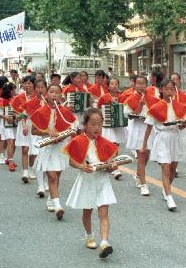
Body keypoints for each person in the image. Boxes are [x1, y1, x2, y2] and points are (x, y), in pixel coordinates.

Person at [64, 107, 120, 257]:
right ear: (85, 125)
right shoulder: (78, 140)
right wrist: (81, 166)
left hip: (102, 180)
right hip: (87, 179)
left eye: (100, 124)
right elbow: (70, 161)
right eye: (93, 124)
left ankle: (104, 243)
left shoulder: (105, 142)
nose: (97, 128)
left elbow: (109, 163)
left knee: (103, 212)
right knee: (87, 211)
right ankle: (89, 236)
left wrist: (111, 167)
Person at [31, 83, 78, 217]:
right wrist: (47, 131)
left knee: (57, 176)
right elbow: (34, 130)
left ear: (61, 96)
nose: (54, 95)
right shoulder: (40, 111)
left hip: (61, 147)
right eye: (51, 92)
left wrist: (63, 135)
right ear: (47, 94)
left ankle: (52, 198)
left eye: (57, 93)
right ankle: (58, 206)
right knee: (52, 177)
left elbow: (73, 129)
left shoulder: (65, 112)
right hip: (47, 147)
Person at [144, 79, 186, 211]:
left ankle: (166, 190)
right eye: (167, 89)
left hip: (175, 137)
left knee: (173, 169)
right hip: (163, 138)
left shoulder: (178, 106)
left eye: (171, 89)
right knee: (165, 168)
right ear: (161, 90)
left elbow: (180, 127)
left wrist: (184, 124)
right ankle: (169, 197)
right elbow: (148, 127)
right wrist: (144, 144)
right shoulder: (156, 107)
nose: (169, 91)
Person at [124, 75, 151, 195]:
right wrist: (140, 104)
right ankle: (143, 184)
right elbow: (129, 115)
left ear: (146, 85)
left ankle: (138, 175)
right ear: (134, 85)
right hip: (138, 128)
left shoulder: (152, 97)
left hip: (149, 129)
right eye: (138, 83)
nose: (141, 86)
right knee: (141, 156)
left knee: (147, 156)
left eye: (143, 83)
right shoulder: (130, 98)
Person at [95, 77, 126, 180]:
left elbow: (125, 109)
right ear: (108, 86)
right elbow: (98, 109)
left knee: (116, 145)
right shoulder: (104, 97)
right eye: (112, 84)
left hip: (118, 125)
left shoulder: (122, 97)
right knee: (110, 144)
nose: (114, 86)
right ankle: (114, 168)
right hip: (108, 124)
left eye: (116, 84)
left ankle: (112, 165)